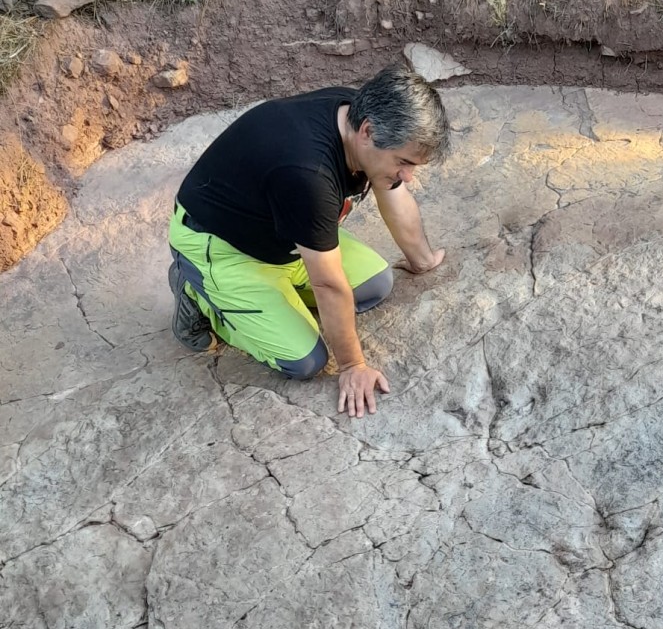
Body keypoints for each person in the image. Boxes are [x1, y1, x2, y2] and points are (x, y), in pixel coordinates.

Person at [167, 65, 450, 418]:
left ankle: (281, 296)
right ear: (368, 131)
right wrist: (352, 366)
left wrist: (421, 259)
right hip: (224, 247)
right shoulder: (308, 175)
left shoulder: (358, 113)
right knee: (306, 360)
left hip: (287, 236)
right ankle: (198, 292)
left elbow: (392, 189)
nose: (407, 175)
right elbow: (329, 285)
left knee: (376, 284)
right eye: (404, 163)